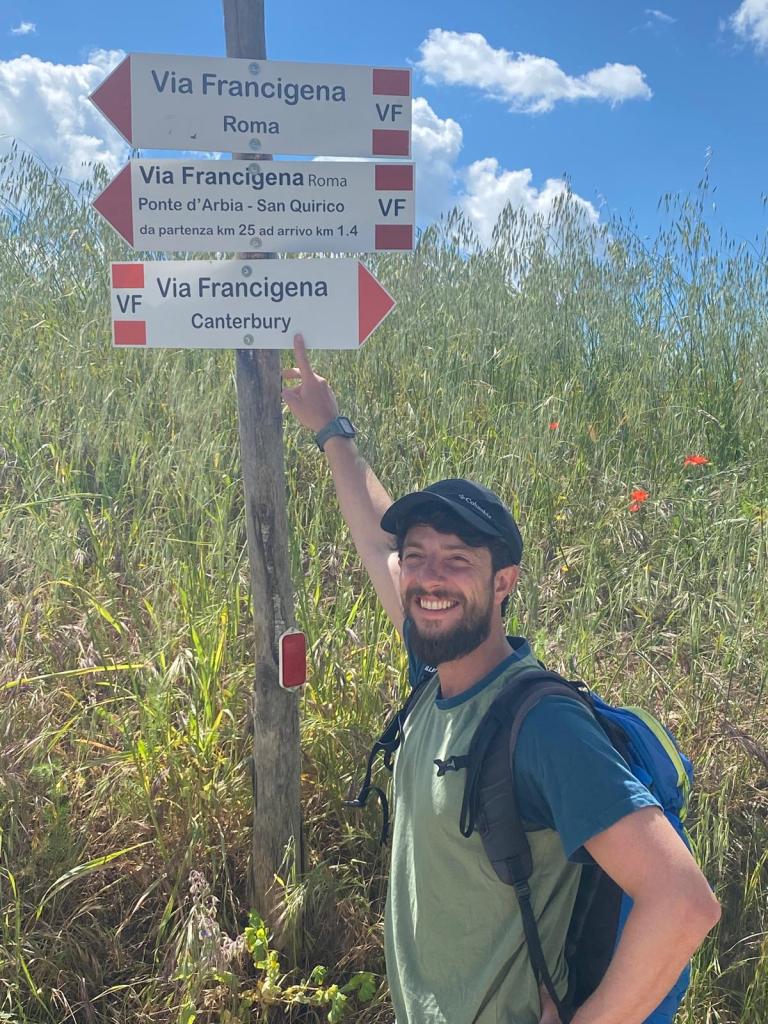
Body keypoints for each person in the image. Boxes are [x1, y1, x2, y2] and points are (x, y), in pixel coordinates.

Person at [282, 334, 721, 1024]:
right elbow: (375, 537)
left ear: (503, 582)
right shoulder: (436, 673)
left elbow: (684, 902)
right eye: (418, 557)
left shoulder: (541, 727)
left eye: (457, 560)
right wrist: (331, 428)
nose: (429, 577)